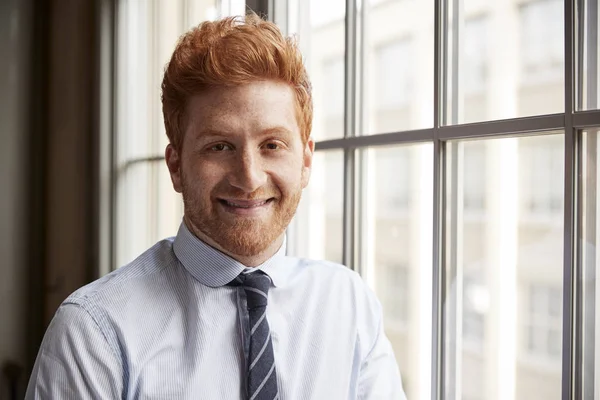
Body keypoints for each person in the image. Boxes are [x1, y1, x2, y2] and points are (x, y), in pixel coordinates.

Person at [25, 14, 406, 399]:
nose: (250, 178)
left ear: (305, 162)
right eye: (219, 146)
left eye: (272, 145)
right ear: (176, 166)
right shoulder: (94, 333)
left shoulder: (349, 305)